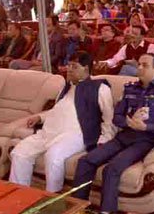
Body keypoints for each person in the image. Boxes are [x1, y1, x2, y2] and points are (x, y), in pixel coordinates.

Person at [72, 54, 154, 214]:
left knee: (112, 169)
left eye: (145, 65)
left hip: (146, 140)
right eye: (139, 64)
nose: (139, 68)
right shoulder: (130, 88)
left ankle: (107, 211)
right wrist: (128, 122)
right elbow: (117, 117)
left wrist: (146, 127)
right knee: (86, 161)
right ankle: (77, 208)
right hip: (124, 136)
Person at [9, 52, 115, 193]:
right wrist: (40, 117)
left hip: (76, 134)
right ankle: (20, 196)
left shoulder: (100, 88)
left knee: (53, 157)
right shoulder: (66, 88)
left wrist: (103, 141)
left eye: (74, 66)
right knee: (19, 153)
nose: (69, 69)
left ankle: (52, 198)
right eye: (68, 65)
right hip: (48, 132)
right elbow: (58, 109)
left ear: (86, 68)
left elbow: (109, 118)